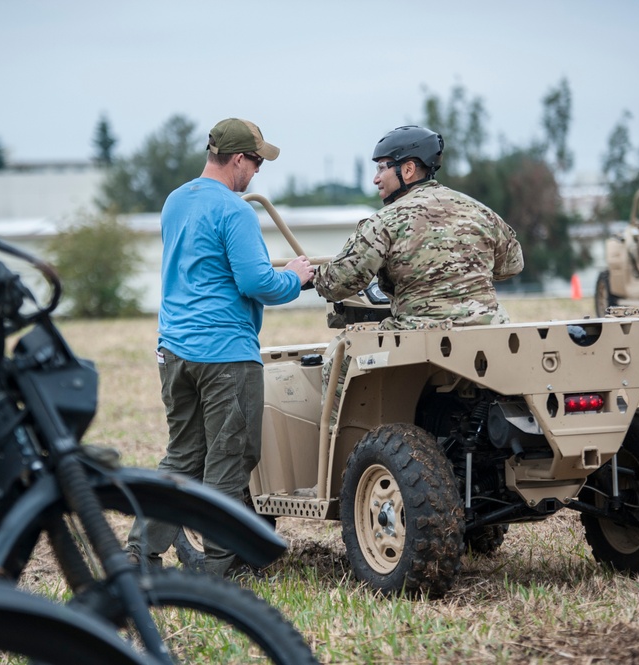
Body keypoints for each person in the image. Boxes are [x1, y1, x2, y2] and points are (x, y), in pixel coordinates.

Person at [126, 118, 315, 577]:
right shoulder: (235, 211)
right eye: (255, 162)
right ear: (235, 160)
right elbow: (256, 281)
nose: (256, 173)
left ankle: (139, 554)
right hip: (225, 354)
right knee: (230, 462)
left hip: (174, 351)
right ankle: (219, 569)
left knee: (182, 456)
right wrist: (296, 277)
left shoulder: (175, 201)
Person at [313, 125, 524, 421]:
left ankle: (339, 454)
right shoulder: (480, 211)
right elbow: (512, 265)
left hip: (419, 335)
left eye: (382, 168)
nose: (375, 178)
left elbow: (341, 281)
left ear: (408, 169)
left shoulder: (385, 221)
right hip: (489, 333)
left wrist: (312, 277)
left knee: (338, 358)